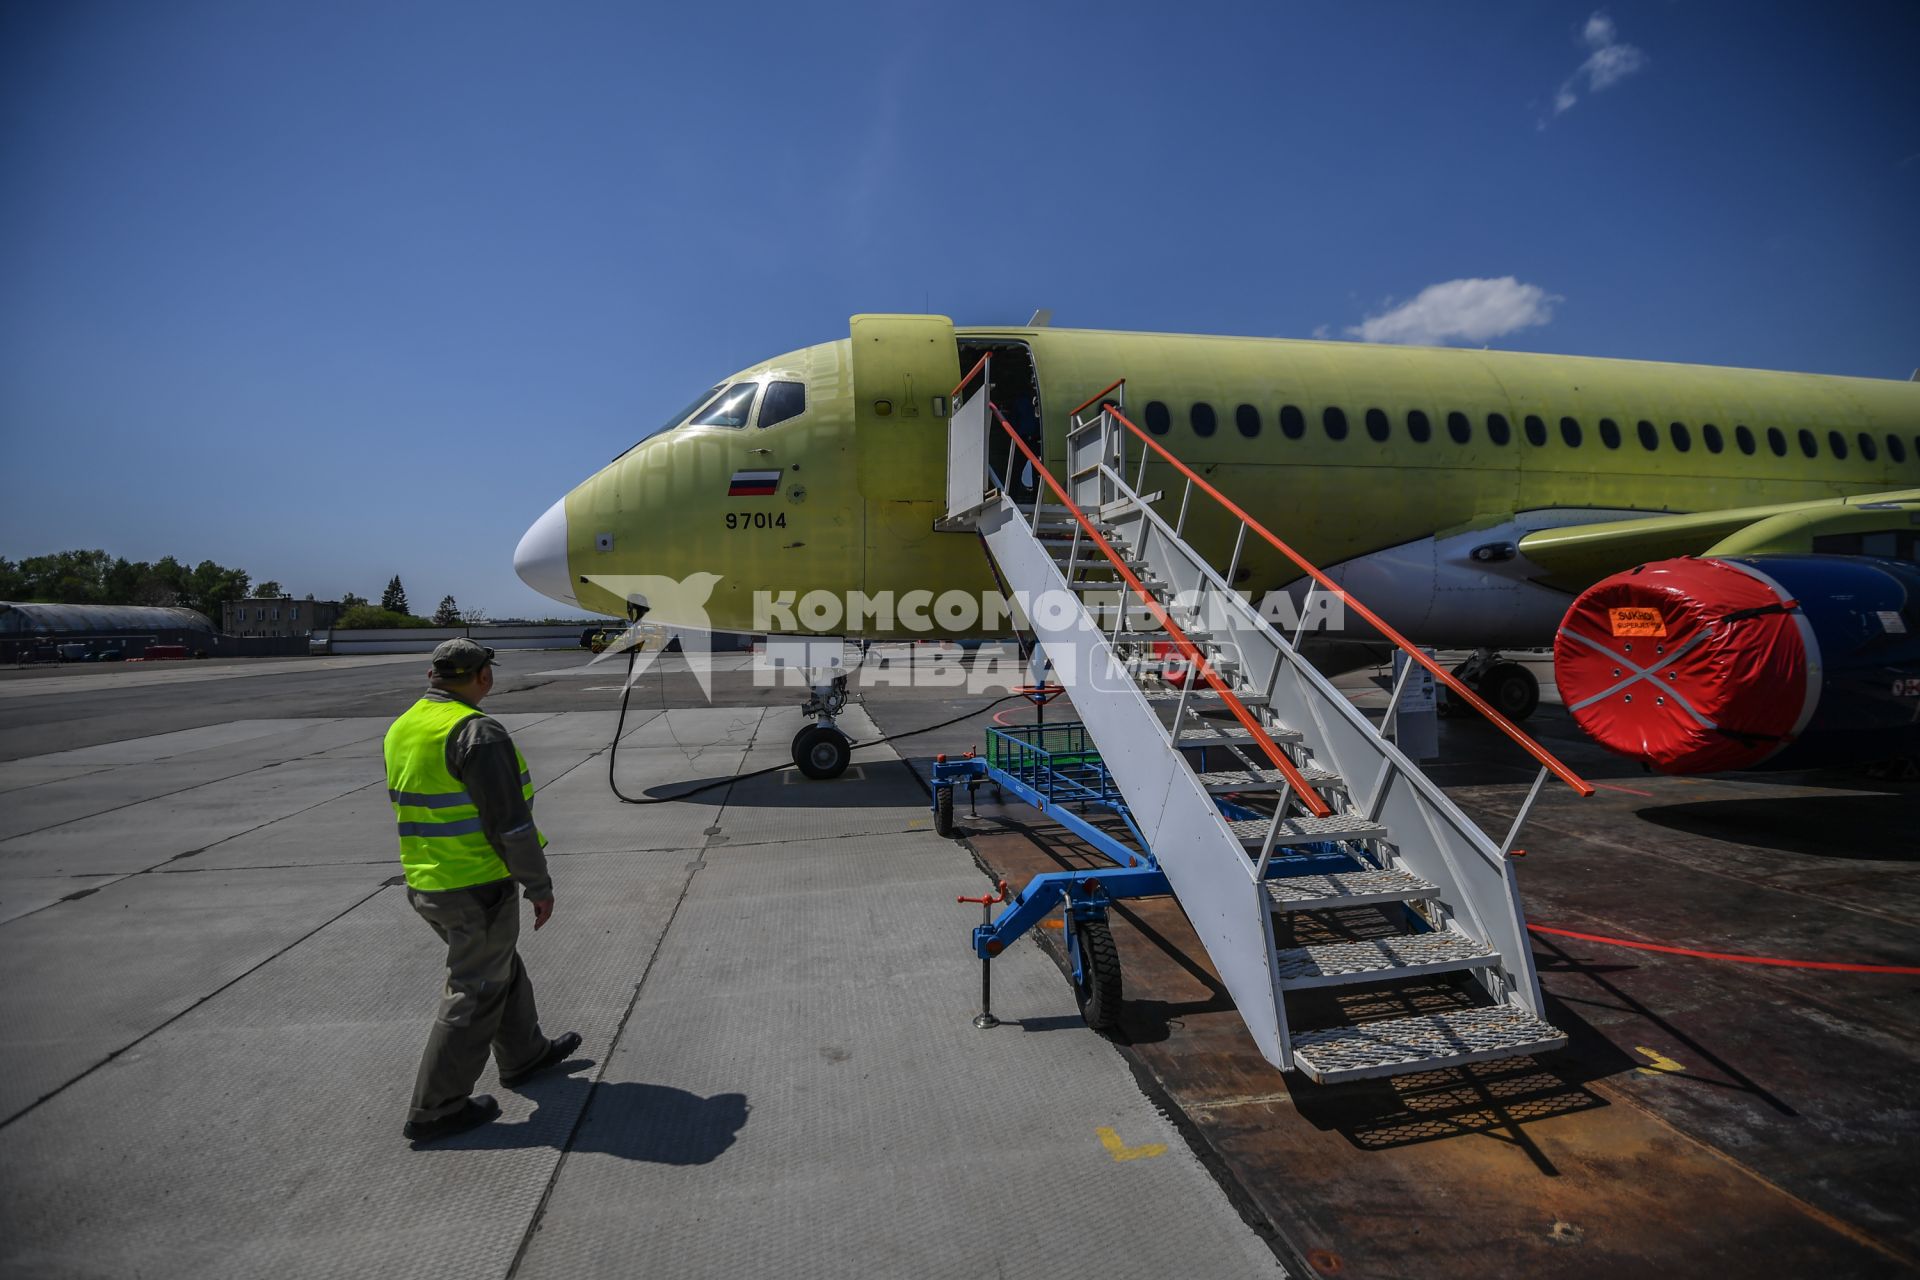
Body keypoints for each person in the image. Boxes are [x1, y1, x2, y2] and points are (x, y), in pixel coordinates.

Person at [385, 637, 580, 1143]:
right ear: (482, 676)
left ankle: (524, 1055)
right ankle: (436, 1108)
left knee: (499, 968)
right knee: (476, 991)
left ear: (433, 675)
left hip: (428, 880)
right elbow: (509, 825)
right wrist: (538, 885)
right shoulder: (477, 732)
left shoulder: (404, 726)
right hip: (475, 884)